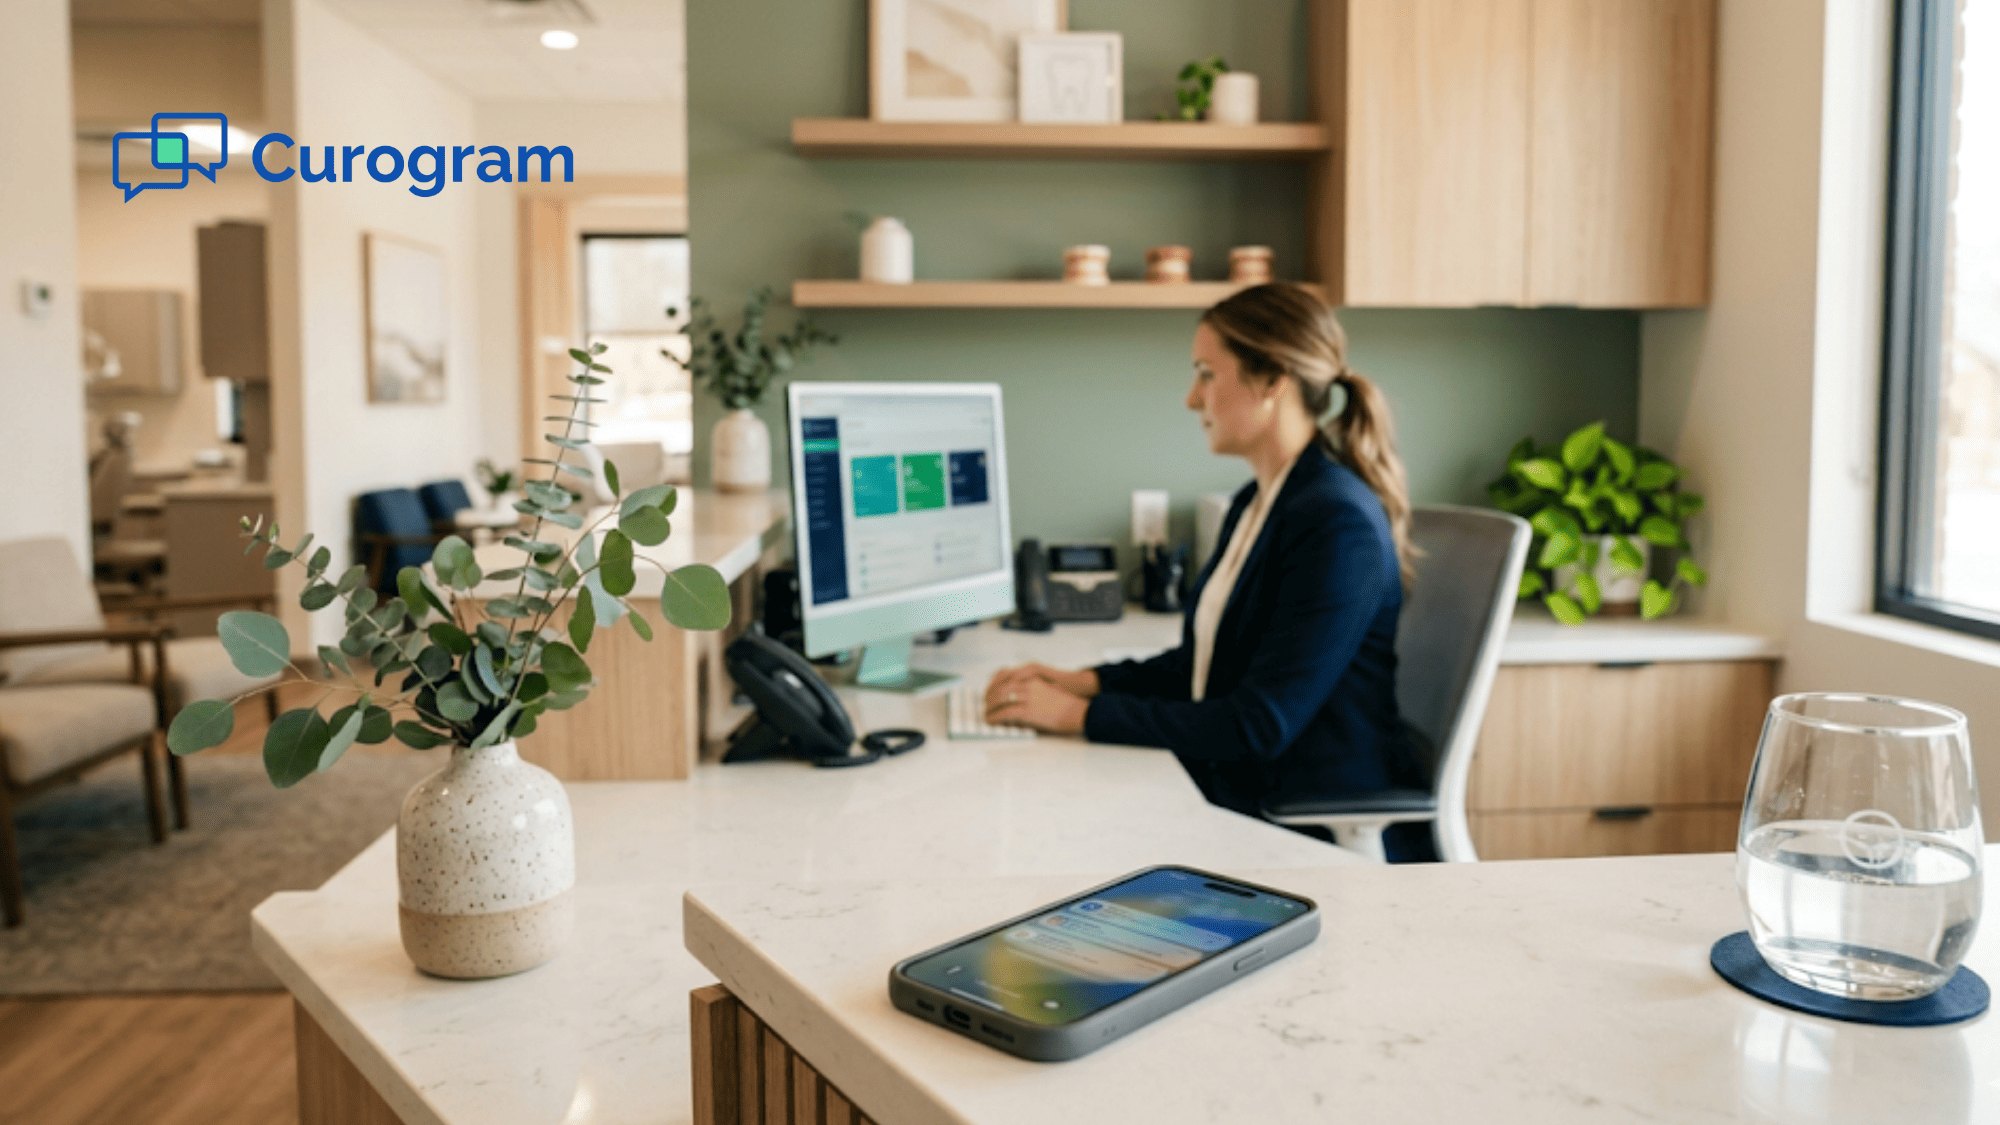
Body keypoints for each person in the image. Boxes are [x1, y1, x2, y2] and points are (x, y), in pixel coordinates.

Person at [984, 282, 1431, 859]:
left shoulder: (1335, 522)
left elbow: (1258, 724)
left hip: (1296, 815)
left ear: (1271, 381)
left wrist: (1079, 716)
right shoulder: (1258, 501)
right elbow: (1204, 667)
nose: (1192, 399)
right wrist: (1084, 682)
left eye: (1206, 374)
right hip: (1238, 783)